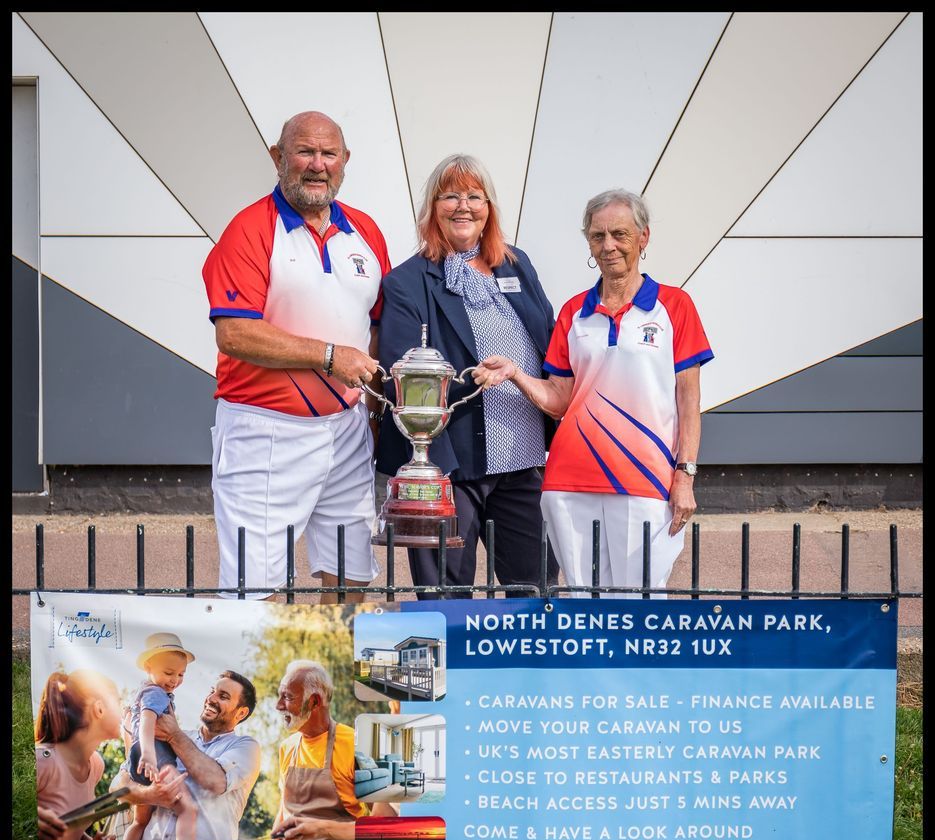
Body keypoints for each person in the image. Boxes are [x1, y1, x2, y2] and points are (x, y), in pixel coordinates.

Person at [478, 189, 713, 595]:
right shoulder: (574, 312)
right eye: (598, 236)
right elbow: (560, 399)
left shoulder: (674, 306)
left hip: (646, 478)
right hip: (569, 481)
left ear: (643, 237)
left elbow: (689, 402)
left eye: (620, 234)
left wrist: (685, 475)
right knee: (582, 601)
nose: (609, 246)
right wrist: (516, 373)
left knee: (639, 602)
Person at [202, 110, 390, 603]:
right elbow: (235, 333)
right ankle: (258, 660)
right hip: (265, 430)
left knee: (350, 573)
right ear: (278, 157)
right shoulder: (249, 229)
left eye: (329, 154)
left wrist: (373, 416)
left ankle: (337, 658)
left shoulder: (366, 231)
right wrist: (328, 356)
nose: (317, 164)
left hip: (347, 427)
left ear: (345, 160)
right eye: (305, 152)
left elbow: (376, 328)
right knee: (253, 587)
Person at [375, 154, 559, 594]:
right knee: (446, 596)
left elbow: (550, 341)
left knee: (536, 591)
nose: (463, 206)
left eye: (474, 196)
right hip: (449, 466)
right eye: (450, 196)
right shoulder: (408, 282)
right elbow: (402, 377)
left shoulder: (517, 265)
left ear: (489, 208)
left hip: (523, 460)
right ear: (432, 208)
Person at [35, 669, 187, 840]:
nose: (126, 710)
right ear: (99, 709)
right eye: (118, 702)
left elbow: (63, 820)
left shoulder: (95, 764)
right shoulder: (43, 759)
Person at [265, 660, 396, 840]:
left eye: (287, 697)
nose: (278, 705)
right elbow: (284, 809)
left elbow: (384, 819)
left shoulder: (355, 745)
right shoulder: (287, 748)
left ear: (314, 702)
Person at [136, 670, 261, 840]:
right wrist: (148, 794)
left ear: (241, 713)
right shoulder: (176, 735)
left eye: (223, 696)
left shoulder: (246, 747)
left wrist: (174, 735)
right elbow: (121, 784)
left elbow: (216, 781)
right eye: (212, 691)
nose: (211, 699)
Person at [119, 633, 198, 840]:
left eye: (181, 674)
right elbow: (147, 722)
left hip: (139, 758)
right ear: (148, 667)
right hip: (156, 754)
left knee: (140, 820)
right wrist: (149, 755)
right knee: (188, 810)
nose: (175, 680)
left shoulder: (144, 691)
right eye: (169, 673)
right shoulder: (156, 693)